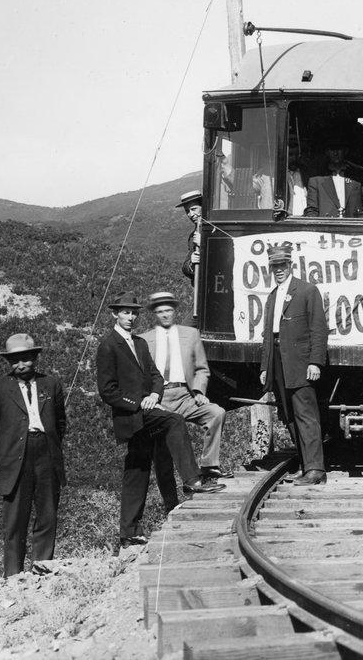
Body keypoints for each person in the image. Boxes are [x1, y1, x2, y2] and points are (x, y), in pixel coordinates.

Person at [96, 291, 223, 548]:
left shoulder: (139, 344)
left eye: (133, 312)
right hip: (131, 415)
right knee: (172, 423)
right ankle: (192, 480)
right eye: (125, 312)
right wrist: (138, 403)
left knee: (138, 468)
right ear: (114, 314)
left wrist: (155, 393)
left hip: (148, 409)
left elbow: (155, 375)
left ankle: (129, 533)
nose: (130, 317)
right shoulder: (108, 345)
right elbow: (108, 390)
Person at [0, 333, 67, 577]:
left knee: (47, 514)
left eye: (26, 359)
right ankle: (14, 577)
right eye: (15, 360)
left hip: (46, 453)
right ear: (9, 362)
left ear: (35, 358)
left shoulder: (51, 384)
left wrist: (49, 446)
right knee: (15, 520)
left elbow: (60, 422)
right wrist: (5, 458)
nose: (20, 365)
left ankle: (43, 570)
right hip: (15, 459)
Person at [143, 292, 233, 512]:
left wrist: (199, 391)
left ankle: (209, 466)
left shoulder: (190, 335)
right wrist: (150, 397)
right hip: (160, 398)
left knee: (216, 412)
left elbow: (202, 368)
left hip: (185, 395)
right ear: (155, 314)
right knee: (162, 454)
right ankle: (171, 504)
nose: (165, 315)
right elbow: (141, 374)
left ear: (175, 311)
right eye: (160, 311)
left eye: (169, 310)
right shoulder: (145, 340)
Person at [260, 246, 329, 485]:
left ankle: (316, 469)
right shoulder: (271, 296)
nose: (278, 270)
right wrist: (265, 367)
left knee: (305, 414)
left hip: (300, 361)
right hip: (278, 361)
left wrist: (315, 361)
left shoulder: (308, 290)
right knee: (288, 415)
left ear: (291, 265)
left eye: (282, 266)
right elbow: (268, 335)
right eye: (274, 267)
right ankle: (303, 463)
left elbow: (319, 329)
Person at [304, 142, 363, 217]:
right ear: (327, 152)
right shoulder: (316, 180)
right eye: (332, 150)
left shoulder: (356, 177)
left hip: (353, 226)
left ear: (345, 151)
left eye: (339, 149)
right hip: (326, 227)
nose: (335, 153)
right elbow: (312, 210)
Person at [177, 190, 203, 283]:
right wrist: (191, 262)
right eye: (187, 211)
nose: (191, 215)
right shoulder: (192, 236)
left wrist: (204, 245)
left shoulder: (216, 231)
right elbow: (185, 267)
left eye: (194, 209)